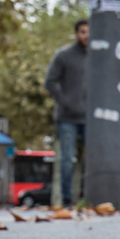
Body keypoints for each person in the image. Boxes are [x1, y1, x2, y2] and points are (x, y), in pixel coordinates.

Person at [45, 19, 89, 205]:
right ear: (76, 34)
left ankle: (88, 198)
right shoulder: (64, 55)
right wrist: (65, 101)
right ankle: (67, 199)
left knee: (92, 159)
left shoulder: (99, 57)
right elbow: (50, 82)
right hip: (67, 117)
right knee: (67, 159)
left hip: (91, 118)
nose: (86, 36)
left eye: (89, 31)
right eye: (82, 32)